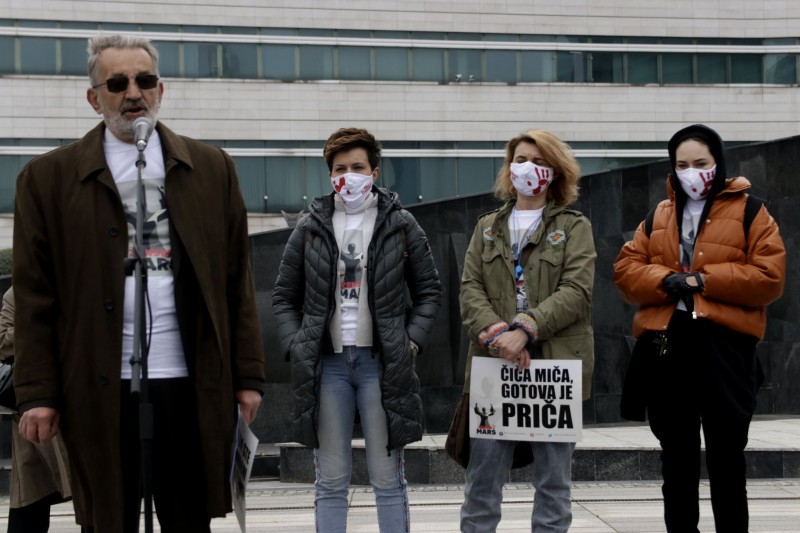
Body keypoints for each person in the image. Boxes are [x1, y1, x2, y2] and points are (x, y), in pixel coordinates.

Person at [12, 34, 265, 532]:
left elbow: (237, 282)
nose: (134, 93)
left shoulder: (211, 169)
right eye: (118, 82)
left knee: (189, 518)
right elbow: (34, 297)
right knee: (108, 518)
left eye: (144, 81)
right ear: (94, 97)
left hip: (190, 379)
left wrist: (249, 376)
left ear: (160, 89)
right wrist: (37, 391)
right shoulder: (47, 179)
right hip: (97, 383)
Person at [614, 124, 786, 532]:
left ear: (718, 163)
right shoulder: (659, 214)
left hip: (725, 349)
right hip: (669, 345)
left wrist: (702, 280)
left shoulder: (751, 211)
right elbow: (625, 270)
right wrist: (663, 280)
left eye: (701, 163)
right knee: (676, 463)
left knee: (728, 461)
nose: (692, 172)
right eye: (682, 164)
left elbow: (770, 278)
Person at [272, 127, 441, 533]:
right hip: (327, 367)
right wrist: (297, 346)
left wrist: (411, 342)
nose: (349, 176)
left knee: (387, 479)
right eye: (340, 168)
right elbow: (283, 295)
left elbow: (429, 290)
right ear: (330, 175)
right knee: (330, 480)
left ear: (375, 172)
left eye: (358, 167)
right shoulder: (311, 226)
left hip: (380, 366)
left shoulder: (400, 224)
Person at [459, 129, 596, 532]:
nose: (528, 168)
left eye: (539, 161)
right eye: (520, 159)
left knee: (553, 485)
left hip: (554, 372)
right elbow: (469, 289)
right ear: (508, 167)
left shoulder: (574, 226)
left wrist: (525, 330)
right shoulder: (487, 227)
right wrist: (501, 336)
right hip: (493, 368)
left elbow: (577, 291)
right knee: (481, 483)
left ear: (555, 172)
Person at [0, 287, 72, 533]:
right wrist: (36, 324)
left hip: (78, 399)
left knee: (94, 500)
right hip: (34, 404)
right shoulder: (16, 294)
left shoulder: (75, 280)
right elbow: (2, 342)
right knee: (30, 499)